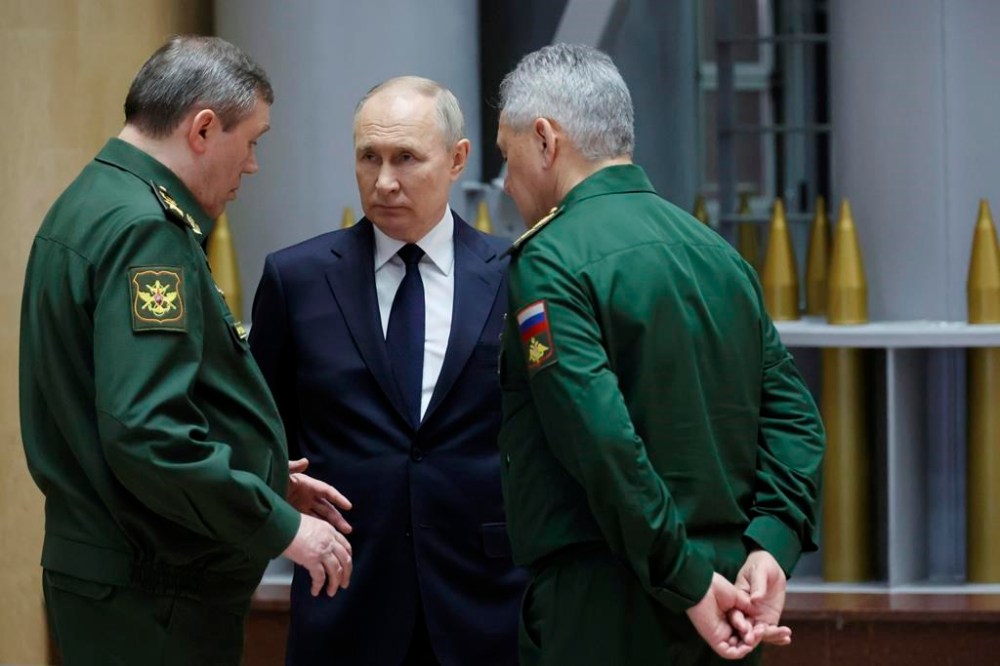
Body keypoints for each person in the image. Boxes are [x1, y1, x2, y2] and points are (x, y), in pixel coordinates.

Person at [19, 35, 354, 666]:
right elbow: (149, 434)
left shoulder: (92, 201)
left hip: (118, 578)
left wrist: (258, 478)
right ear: (203, 128)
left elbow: (120, 408)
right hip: (153, 592)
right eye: (251, 140)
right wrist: (280, 525)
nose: (252, 165)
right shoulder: (148, 232)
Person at [494, 43, 825, 664]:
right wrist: (770, 547)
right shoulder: (717, 253)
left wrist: (686, 578)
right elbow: (796, 421)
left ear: (544, 140)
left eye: (506, 157)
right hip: (732, 596)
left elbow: (600, 441)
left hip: (611, 599)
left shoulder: (550, 262)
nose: (507, 183)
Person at [249, 76, 526, 665]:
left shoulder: (516, 273)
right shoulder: (295, 280)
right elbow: (256, 430)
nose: (384, 182)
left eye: (406, 158)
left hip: (487, 600)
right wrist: (279, 499)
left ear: (457, 160)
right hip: (346, 595)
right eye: (368, 158)